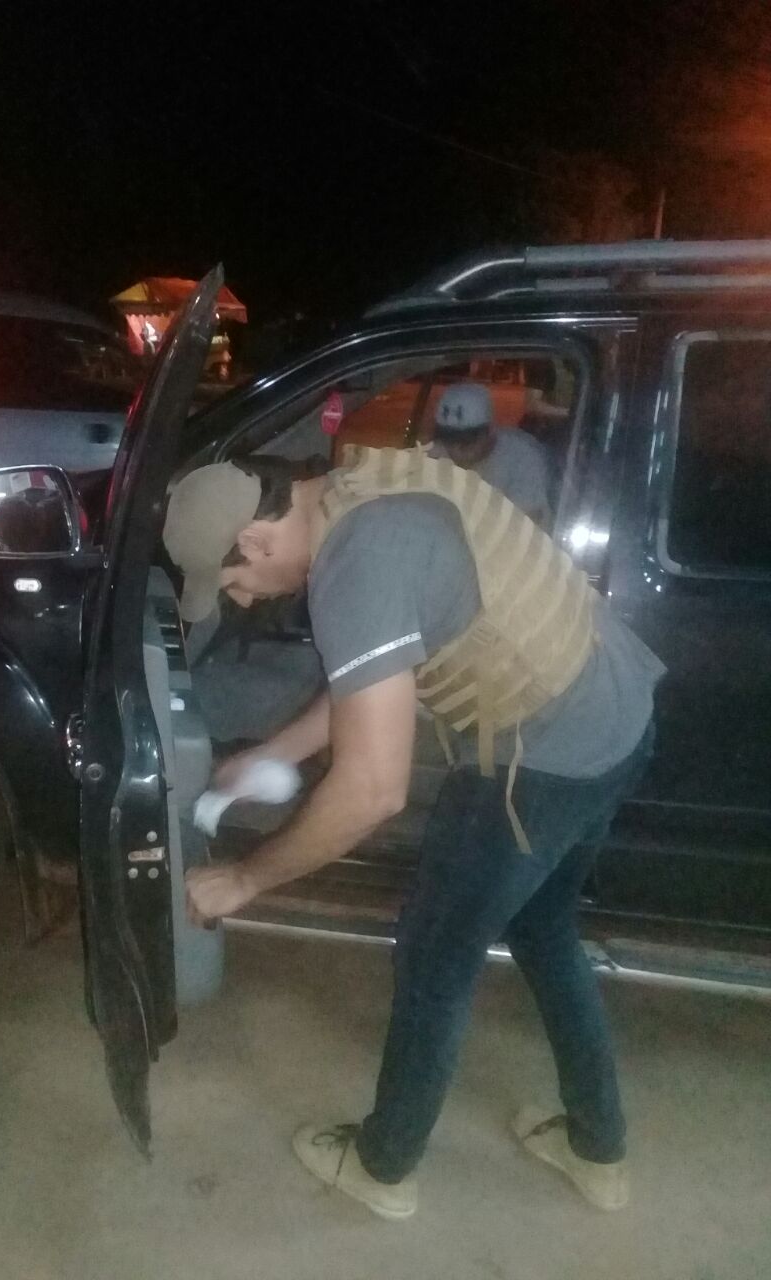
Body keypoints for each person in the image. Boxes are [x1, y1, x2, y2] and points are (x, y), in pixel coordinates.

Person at [163, 446, 664, 1221]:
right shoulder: (362, 486)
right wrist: (277, 752)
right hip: (617, 712)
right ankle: (599, 1148)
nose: (243, 600)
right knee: (543, 929)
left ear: (255, 541)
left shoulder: (356, 560)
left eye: (233, 584)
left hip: (543, 760)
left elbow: (372, 791)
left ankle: (382, 1167)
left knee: (435, 956)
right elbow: (378, 666)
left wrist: (244, 879)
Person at [428, 382, 552, 526]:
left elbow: (525, 527)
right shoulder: (434, 457)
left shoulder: (524, 459)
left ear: (490, 431)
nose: (456, 448)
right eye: (449, 439)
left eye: (466, 440)